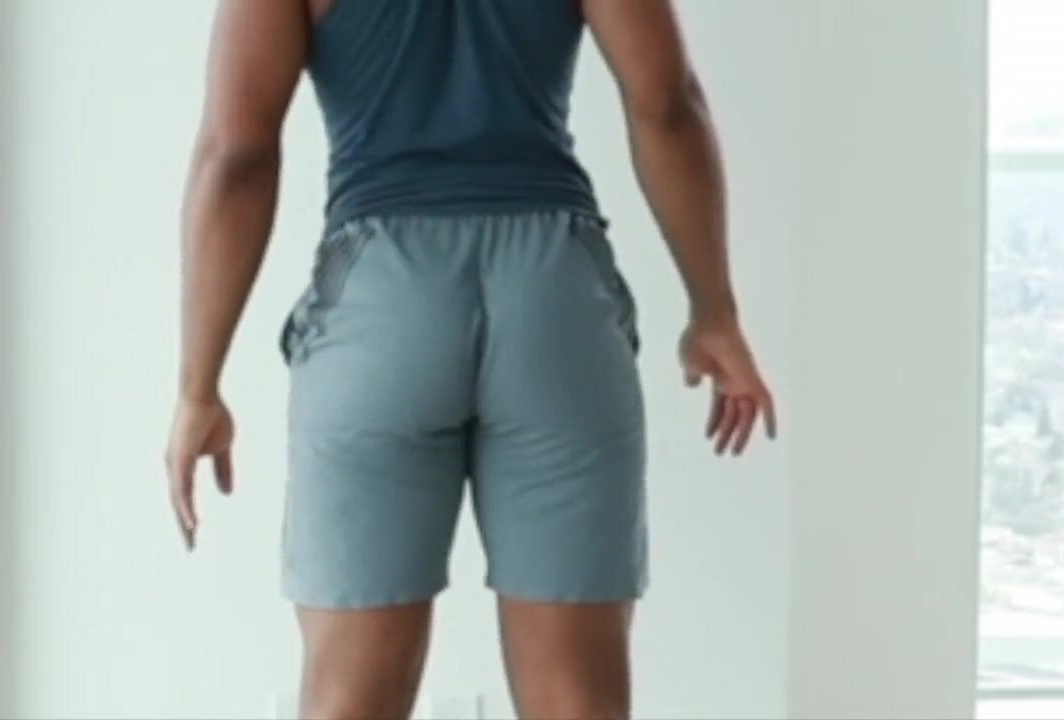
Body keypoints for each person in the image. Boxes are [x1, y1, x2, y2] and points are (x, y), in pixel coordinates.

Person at [164, 0, 776, 717]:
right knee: (577, 700)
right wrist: (715, 312)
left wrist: (199, 386)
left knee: (348, 698)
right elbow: (666, 102)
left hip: (382, 305)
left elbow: (236, 152)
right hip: (553, 302)